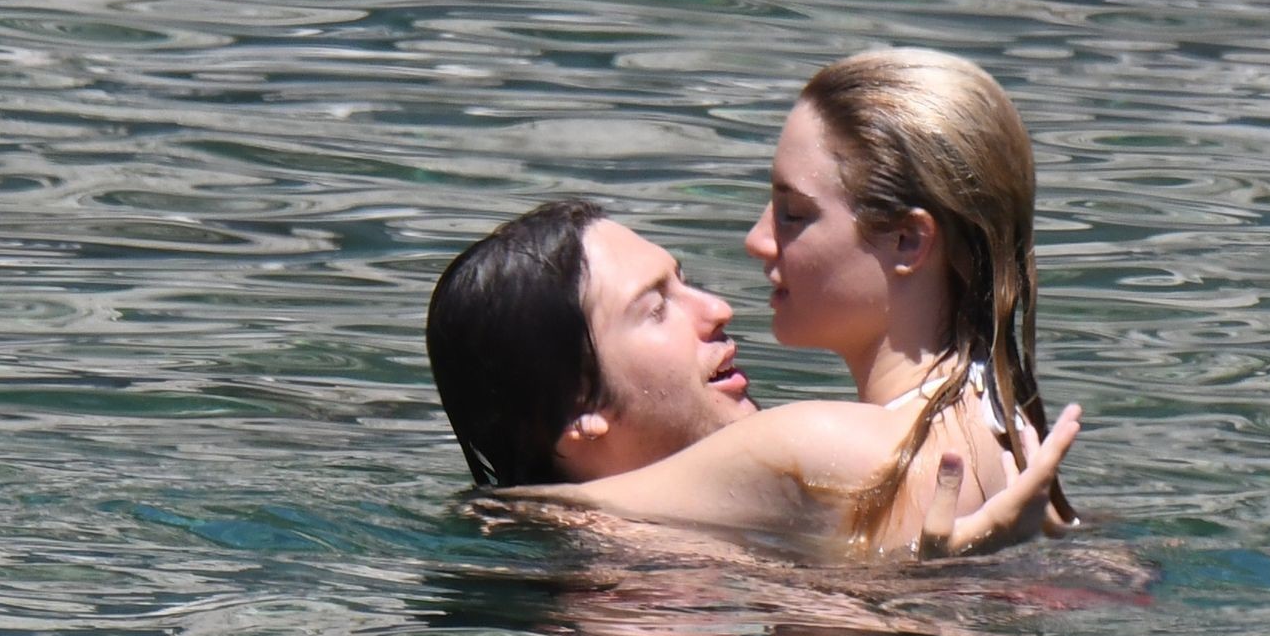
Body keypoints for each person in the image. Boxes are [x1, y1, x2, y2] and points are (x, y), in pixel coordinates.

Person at [429, 48, 1079, 558]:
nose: (756, 242)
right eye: (656, 306)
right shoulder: (1011, 430)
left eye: (794, 213)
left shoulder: (825, 445)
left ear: (910, 241)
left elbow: (522, 514)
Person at [427, 195, 1067, 557]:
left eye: (686, 282)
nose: (717, 309)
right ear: (579, 408)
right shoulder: (608, 616)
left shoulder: (658, 547)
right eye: (656, 309)